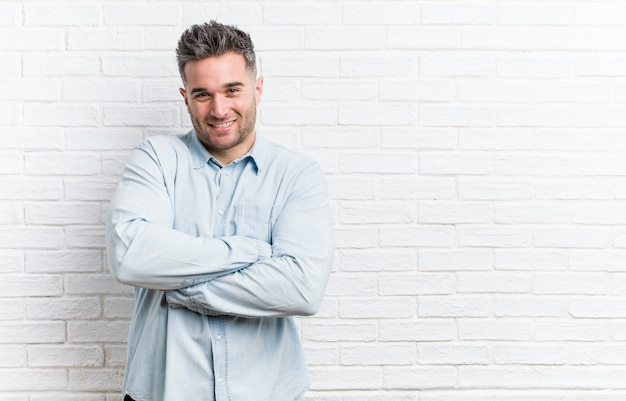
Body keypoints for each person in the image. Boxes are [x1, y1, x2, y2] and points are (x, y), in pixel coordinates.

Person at [105, 21, 334, 401]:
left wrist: (181, 288)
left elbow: (302, 288)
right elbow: (130, 256)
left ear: (257, 89)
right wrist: (252, 251)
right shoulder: (155, 160)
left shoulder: (297, 175)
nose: (219, 109)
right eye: (202, 94)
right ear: (185, 97)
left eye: (232, 90)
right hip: (163, 392)